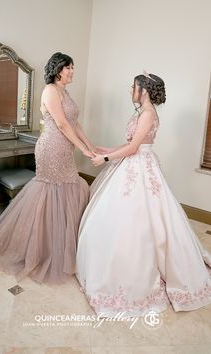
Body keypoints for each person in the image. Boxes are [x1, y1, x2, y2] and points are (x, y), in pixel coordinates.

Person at [76, 72, 211, 317]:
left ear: (144, 91)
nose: (130, 90)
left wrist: (104, 158)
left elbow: (134, 148)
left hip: (140, 167)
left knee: (141, 219)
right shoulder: (142, 113)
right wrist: (106, 149)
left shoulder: (148, 114)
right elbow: (130, 144)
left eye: (134, 87)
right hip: (133, 163)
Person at [0, 52, 95, 285]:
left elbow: (74, 122)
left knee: (67, 191)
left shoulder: (65, 91)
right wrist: (82, 148)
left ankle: (60, 245)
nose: (72, 71)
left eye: (73, 67)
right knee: (49, 193)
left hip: (64, 150)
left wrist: (89, 144)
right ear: (58, 69)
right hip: (51, 147)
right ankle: (40, 250)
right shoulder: (50, 90)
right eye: (68, 67)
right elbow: (61, 123)